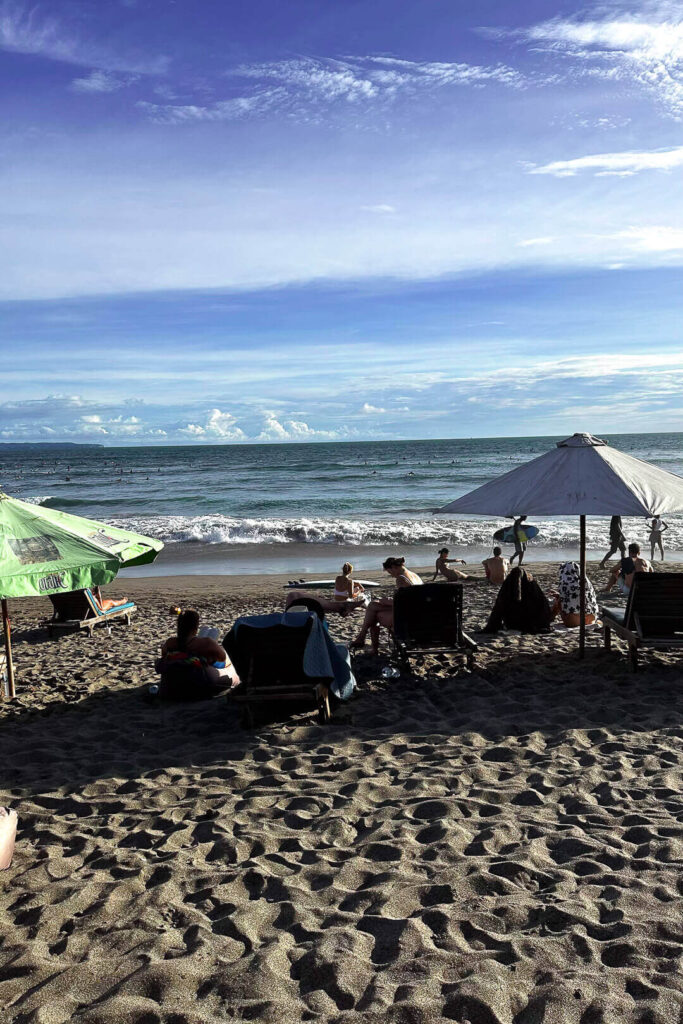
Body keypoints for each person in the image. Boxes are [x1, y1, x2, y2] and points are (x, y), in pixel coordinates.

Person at [352, 556, 422, 655]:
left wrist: (386, 601)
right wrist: (389, 600)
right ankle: (362, 637)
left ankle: (369, 644)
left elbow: (402, 604)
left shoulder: (401, 579)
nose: (391, 576)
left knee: (374, 615)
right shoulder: (414, 575)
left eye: (390, 572)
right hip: (418, 613)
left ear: (394, 567)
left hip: (407, 617)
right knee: (373, 605)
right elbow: (411, 599)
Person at [161, 609, 238, 687]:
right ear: (196, 626)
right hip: (199, 679)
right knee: (228, 662)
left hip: (173, 680)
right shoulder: (207, 642)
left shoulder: (170, 642)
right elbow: (222, 658)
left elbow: (164, 655)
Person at [480, 567, 553, 634]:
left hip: (513, 624)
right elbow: (543, 606)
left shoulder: (508, 585)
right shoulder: (531, 584)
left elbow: (498, 609)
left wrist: (493, 626)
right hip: (530, 623)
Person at [550, 561, 597, 627]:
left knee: (558, 602)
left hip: (573, 622)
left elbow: (568, 600)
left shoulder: (565, 584)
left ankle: (551, 617)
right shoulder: (587, 584)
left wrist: (559, 598)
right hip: (591, 619)